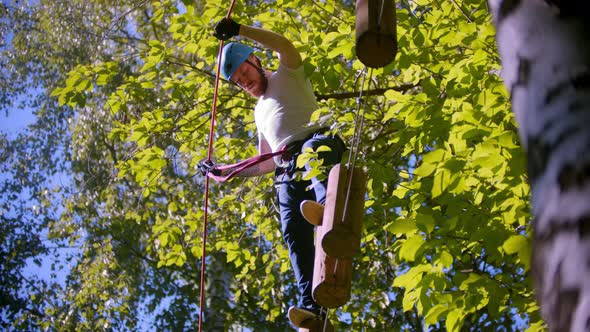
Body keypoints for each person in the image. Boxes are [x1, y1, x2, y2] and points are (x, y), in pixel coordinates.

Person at [199, 17, 346, 328]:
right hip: (288, 169)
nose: (244, 81)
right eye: (238, 81)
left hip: (317, 143)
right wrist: (222, 171)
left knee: (308, 156)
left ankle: (329, 212)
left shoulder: (288, 73)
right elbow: (265, 161)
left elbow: (283, 44)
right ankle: (313, 306)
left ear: (256, 60)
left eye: (245, 71)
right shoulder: (258, 112)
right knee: (292, 230)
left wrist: (240, 30)